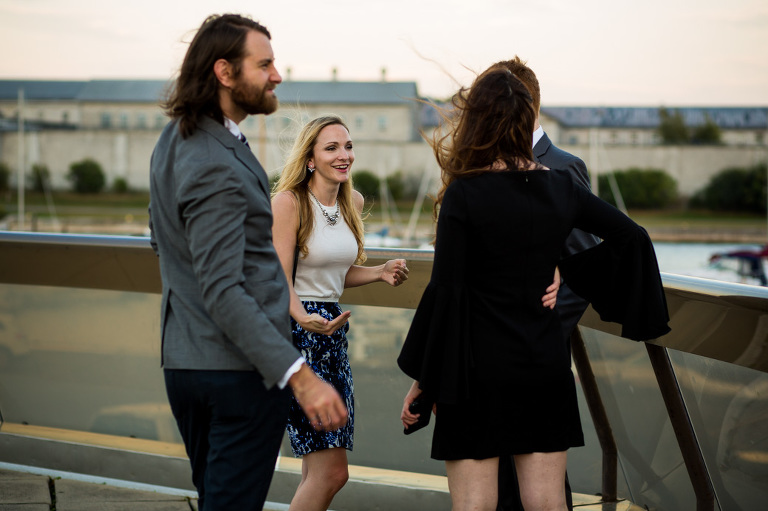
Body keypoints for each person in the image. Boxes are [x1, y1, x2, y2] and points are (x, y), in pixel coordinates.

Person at [397, 68, 670, 511]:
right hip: (542, 363)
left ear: (478, 121)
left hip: (475, 371)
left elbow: (446, 293)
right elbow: (632, 237)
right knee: (546, 503)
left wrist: (424, 382)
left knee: (475, 506)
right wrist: (569, 268)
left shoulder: (464, 194)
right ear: (528, 119)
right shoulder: (561, 185)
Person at [148, 14, 347, 510]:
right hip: (237, 372)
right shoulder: (215, 161)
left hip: (185, 362)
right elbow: (222, 288)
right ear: (224, 72)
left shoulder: (173, 141)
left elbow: (163, 242)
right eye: (265, 64)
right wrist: (300, 376)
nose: (276, 74)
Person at [271, 115, 410, 511]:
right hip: (298, 336)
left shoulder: (353, 201)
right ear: (310, 158)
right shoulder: (288, 203)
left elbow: (336, 273)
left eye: (347, 146)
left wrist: (380, 272)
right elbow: (277, 277)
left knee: (317, 472)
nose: (343, 155)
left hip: (332, 333)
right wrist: (301, 317)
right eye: (331, 148)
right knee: (333, 473)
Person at [491, 56, 602, 511]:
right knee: (503, 483)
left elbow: (584, 266)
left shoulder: (562, 167)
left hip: (537, 356)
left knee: (541, 487)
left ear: (526, 105)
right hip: (494, 358)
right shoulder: (486, 165)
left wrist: (540, 336)